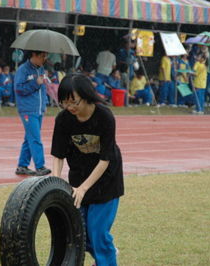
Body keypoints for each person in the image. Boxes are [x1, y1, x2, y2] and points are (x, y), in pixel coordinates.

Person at [51, 73, 124, 266]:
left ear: (86, 95)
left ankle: (106, 258)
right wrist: (56, 184)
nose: (70, 107)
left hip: (106, 180)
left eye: (74, 102)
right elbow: (58, 155)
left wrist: (84, 188)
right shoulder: (63, 119)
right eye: (65, 103)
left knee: (98, 232)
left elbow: (105, 159)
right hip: (78, 178)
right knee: (78, 233)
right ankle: (106, 253)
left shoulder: (105, 117)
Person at [14, 50, 51, 176]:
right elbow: (19, 89)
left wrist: (44, 104)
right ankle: (40, 166)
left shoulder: (41, 69)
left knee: (29, 137)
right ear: (34, 55)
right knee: (35, 138)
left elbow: (43, 88)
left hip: (38, 108)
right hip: (28, 109)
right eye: (42, 56)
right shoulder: (23, 70)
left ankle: (22, 165)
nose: (44, 59)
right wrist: (35, 83)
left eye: (45, 56)